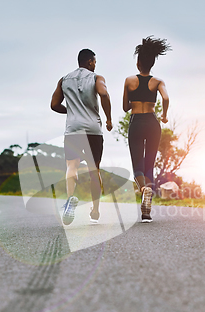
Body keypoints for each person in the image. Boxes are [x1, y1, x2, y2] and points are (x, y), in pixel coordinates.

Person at [51, 48, 112, 225]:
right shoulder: (96, 78)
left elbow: (54, 104)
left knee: (72, 166)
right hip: (93, 129)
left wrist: (70, 111)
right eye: (94, 62)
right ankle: (95, 210)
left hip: (73, 129)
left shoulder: (64, 80)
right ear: (90, 62)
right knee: (94, 170)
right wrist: (108, 119)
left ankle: (70, 199)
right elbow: (104, 94)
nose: (95, 65)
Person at [123, 36, 171, 223]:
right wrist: (165, 115)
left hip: (136, 122)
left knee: (138, 168)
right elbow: (166, 99)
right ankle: (146, 212)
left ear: (138, 63)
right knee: (149, 164)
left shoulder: (129, 80)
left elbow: (125, 107)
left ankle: (144, 190)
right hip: (152, 122)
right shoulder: (158, 81)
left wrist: (133, 101)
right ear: (151, 64)